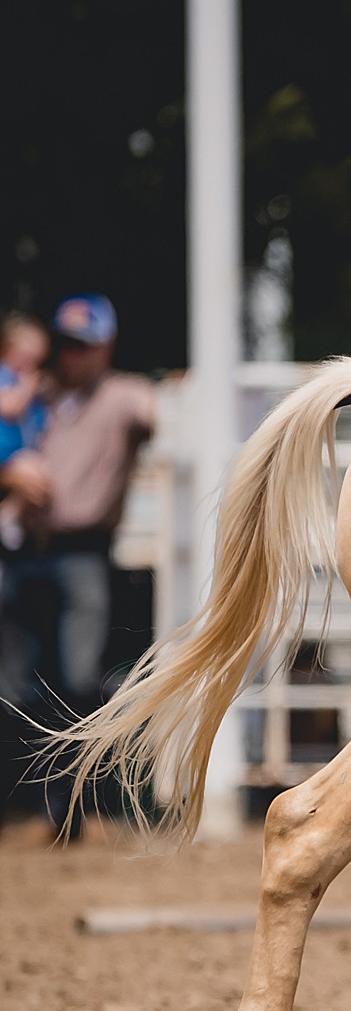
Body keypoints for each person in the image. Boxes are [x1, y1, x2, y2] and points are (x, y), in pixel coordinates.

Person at [0, 294, 154, 727]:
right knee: (13, 684)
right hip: (23, 549)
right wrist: (8, 474)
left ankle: (79, 789)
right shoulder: (32, 391)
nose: (71, 355)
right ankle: (25, 790)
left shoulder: (124, 396)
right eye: (66, 342)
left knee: (80, 679)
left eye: (83, 344)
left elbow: (164, 415)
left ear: (105, 346)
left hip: (83, 551)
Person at [0, 312, 50, 554]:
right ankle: (9, 518)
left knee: (39, 478)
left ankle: (15, 518)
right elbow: (10, 407)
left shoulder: (25, 379)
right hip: (6, 452)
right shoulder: (5, 377)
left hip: (22, 450)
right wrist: (27, 388)